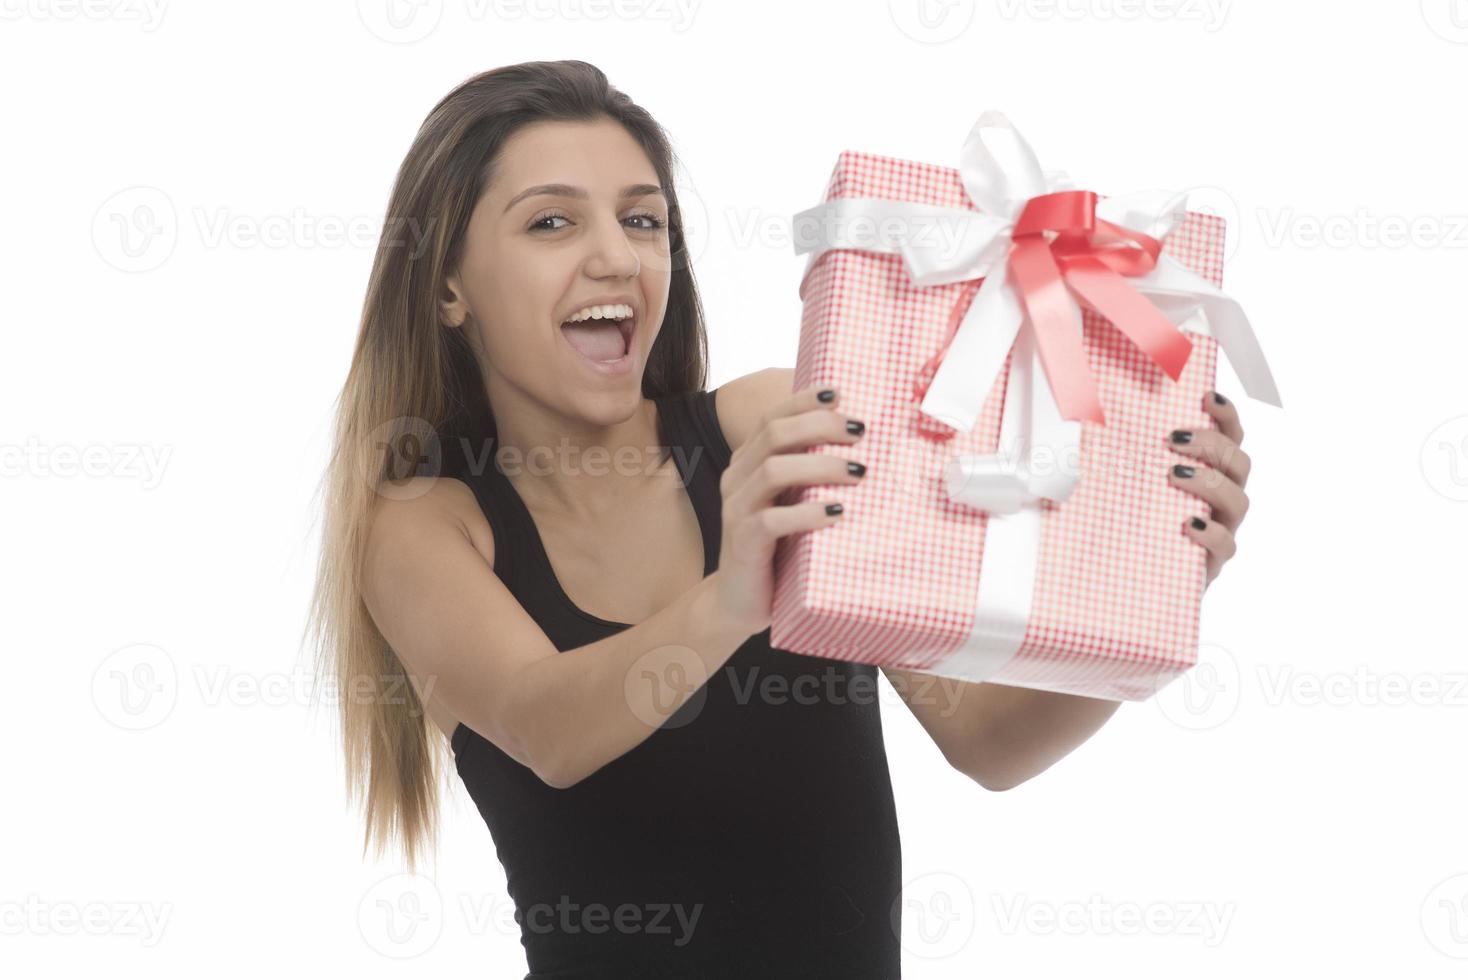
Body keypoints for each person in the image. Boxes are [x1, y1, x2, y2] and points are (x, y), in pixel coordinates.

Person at [307, 60, 1254, 979]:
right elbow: (544, 729)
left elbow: (987, 742)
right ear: (446, 287)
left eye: (644, 220)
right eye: (551, 222)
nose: (615, 256)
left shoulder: (766, 426)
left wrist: (1165, 587)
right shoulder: (424, 524)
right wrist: (733, 597)